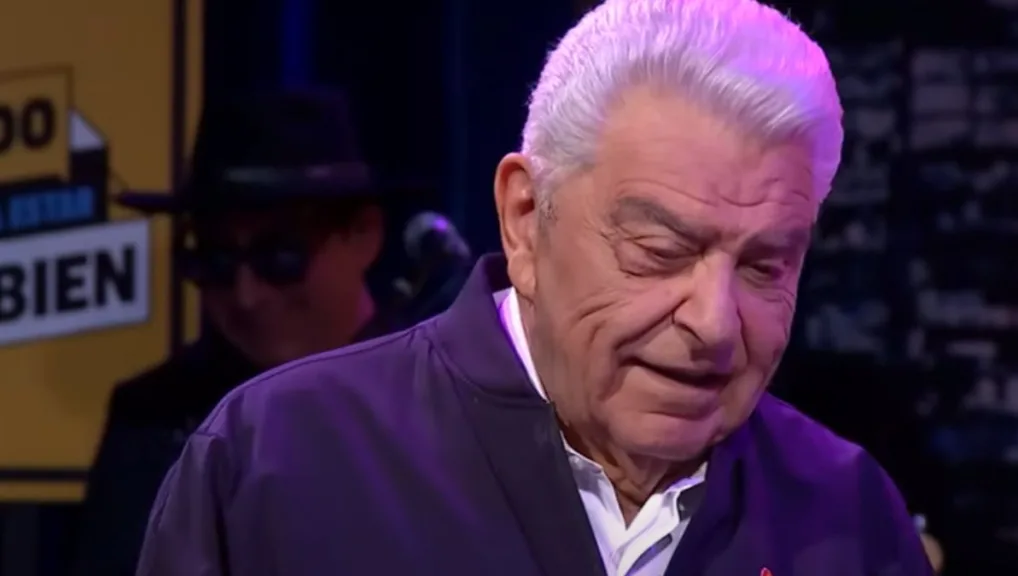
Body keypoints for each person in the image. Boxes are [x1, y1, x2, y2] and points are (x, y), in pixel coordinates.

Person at [137, 1, 933, 574]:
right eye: (659, 251)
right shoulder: (280, 460)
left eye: (765, 267)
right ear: (524, 219)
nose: (716, 323)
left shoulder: (848, 517)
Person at [74, 89, 419, 576]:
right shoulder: (153, 418)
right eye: (214, 261)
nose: (246, 295)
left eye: (280, 257)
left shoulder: (436, 405)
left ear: (363, 233)